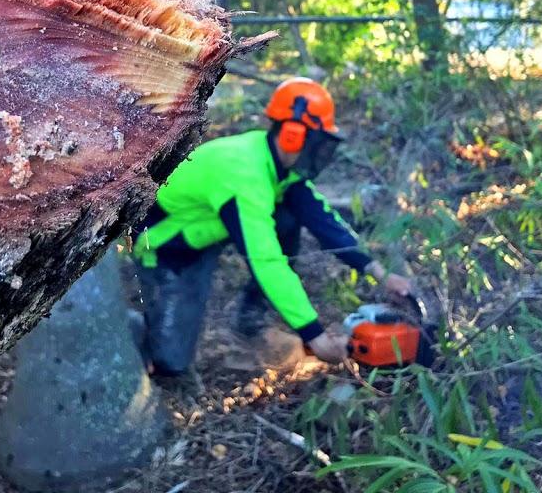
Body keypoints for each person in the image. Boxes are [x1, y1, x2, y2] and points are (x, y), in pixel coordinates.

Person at [132, 77, 411, 376]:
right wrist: (313, 334)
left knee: (289, 215)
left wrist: (378, 272)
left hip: (205, 229)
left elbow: (324, 221)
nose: (319, 156)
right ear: (293, 135)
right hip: (165, 244)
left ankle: (251, 313)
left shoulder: (277, 163)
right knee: (171, 362)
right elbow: (266, 261)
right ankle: (132, 325)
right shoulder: (244, 175)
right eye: (316, 145)